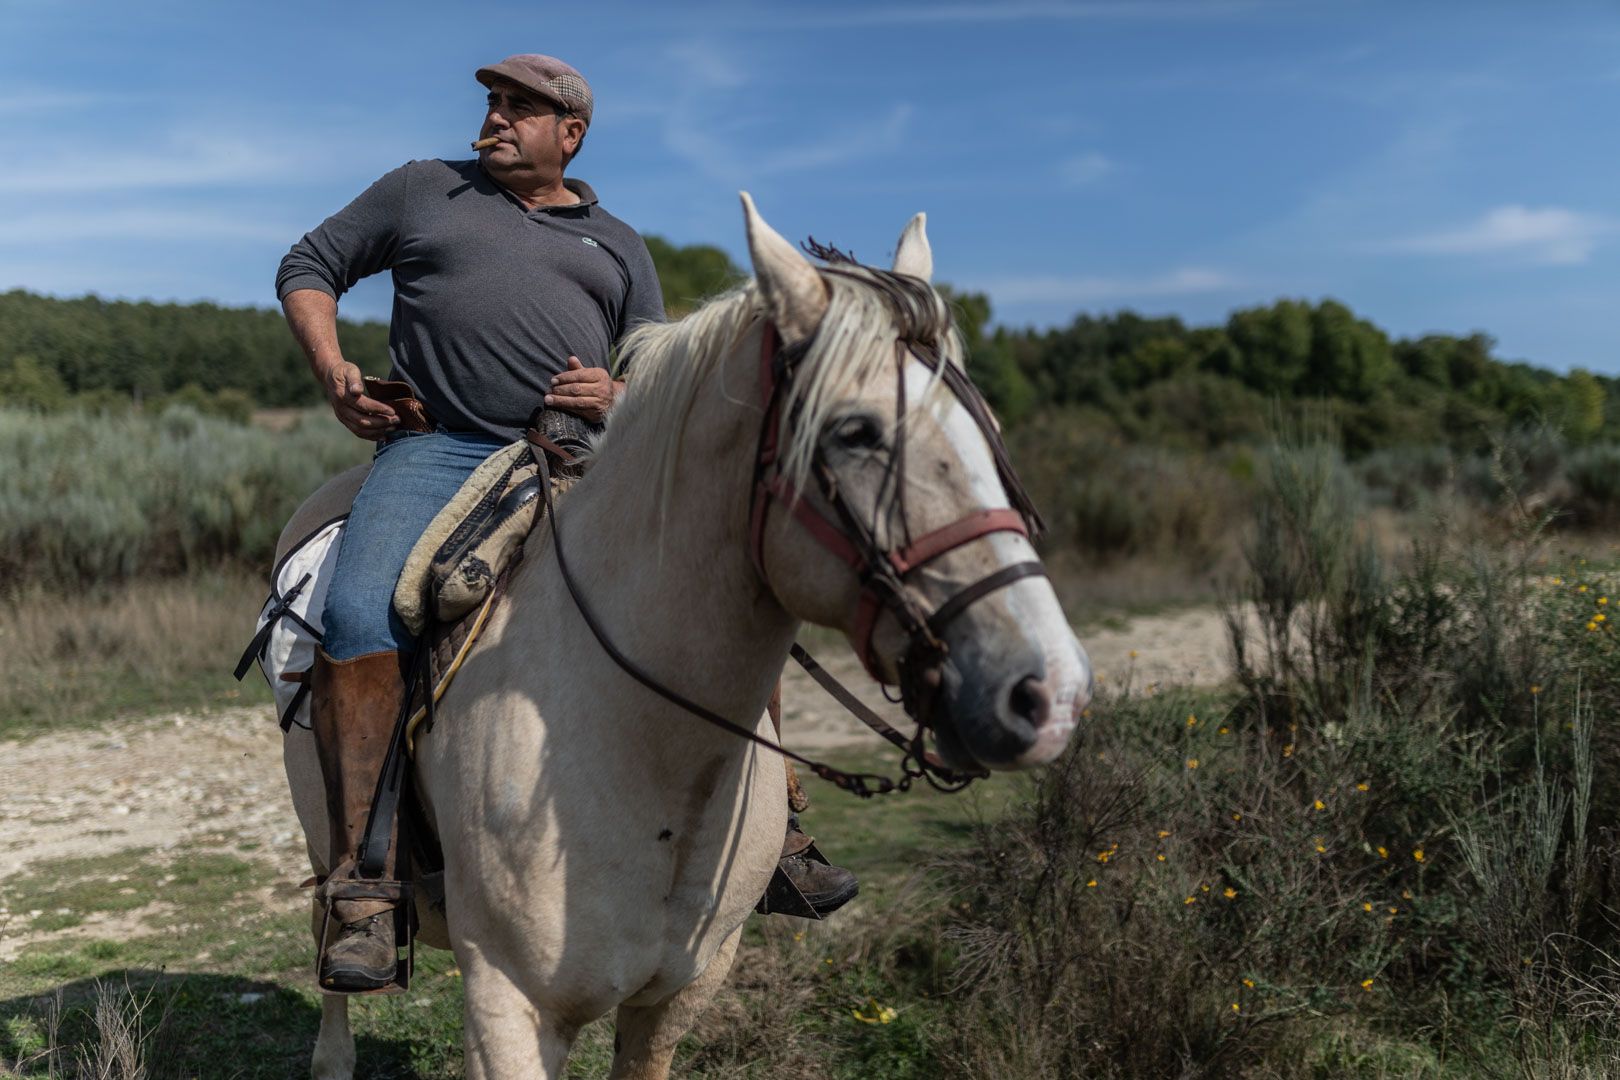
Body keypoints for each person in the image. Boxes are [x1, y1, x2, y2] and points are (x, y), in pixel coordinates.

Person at [276, 54, 856, 994]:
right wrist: (336, 371)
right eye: (493, 103)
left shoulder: (618, 241)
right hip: (441, 449)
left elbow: (658, 371)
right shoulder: (424, 191)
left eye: (520, 107)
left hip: (586, 458)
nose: (494, 118)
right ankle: (365, 892)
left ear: (570, 133)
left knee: (726, 591)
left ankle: (778, 830)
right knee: (354, 618)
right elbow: (308, 265)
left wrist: (622, 392)